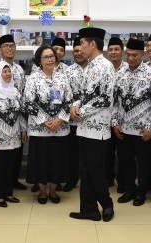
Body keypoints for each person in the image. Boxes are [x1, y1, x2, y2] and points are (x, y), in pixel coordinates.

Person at [69, 27, 115, 222]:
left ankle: (107, 204)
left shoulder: (106, 66)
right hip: (84, 127)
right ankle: (89, 209)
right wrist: (75, 105)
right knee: (85, 170)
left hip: (98, 129)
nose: (80, 48)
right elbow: (84, 95)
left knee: (96, 170)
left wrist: (82, 112)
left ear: (92, 45)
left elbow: (105, 98)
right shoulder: (90, 67)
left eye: (82, 43)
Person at [24, 46, 72, 204]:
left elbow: (68, 101)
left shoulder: (63, 78)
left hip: (60, 128)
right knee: (41, 161)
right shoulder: (33, 79)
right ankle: (42, 191)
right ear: (39, 61)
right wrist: (45, 121)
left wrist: (59, 120)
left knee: (57, 160)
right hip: (40, 129)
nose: (50, 59)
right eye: (46, 57)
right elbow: (29, 103)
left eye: (52, 56)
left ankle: (53, 191)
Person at [112, 38, 151, 206]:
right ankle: (130, 189)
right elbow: (115, 102)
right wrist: (115, 123)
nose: (130, 58)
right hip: (123, 128)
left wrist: (150, 127)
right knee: (125, 162)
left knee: (143, 164)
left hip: (143, 130)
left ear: (142, 54)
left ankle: (141, 192)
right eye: (128, 54)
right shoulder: (120, 73)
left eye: (134, 55)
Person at [0, 61, 27, 207]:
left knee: (10, 166)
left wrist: (23, 129)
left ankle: (8, 193)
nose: (8, 74)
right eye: (4, 72)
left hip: (14, 135)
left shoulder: (14, 92)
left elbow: (20, 114)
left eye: (9, 72)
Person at [0, 34, 28, 191]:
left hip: (17, 117)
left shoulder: (20, 70)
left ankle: (13, 180)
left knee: (17, 151)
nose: (10, 48)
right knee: (2, 155)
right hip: (1, 118)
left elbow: (21, 96)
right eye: (6, 46)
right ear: (0, 50)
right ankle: (1, 184)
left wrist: (23, 125)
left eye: (12, 45)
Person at [63, 37, 86, 192]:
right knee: (71, 154)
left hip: (90, 120)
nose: (78, 53)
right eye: (75, 51)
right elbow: (65, 95)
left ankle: (88, 181)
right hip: (72, 120)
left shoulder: (95, 69)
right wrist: (72, 109)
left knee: (88, 154)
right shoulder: (68, 71)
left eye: (80, 50)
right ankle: (71, 180)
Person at [106, 36, 127, 193]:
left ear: (122, 51)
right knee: (106, 152)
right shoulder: (104, 68)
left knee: (122, 153)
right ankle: (107, 179)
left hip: (121, 120)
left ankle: (122, 181)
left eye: (116, 49)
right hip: (104, 119)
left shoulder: (127, 69)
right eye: (111, 49)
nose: (113, 52)